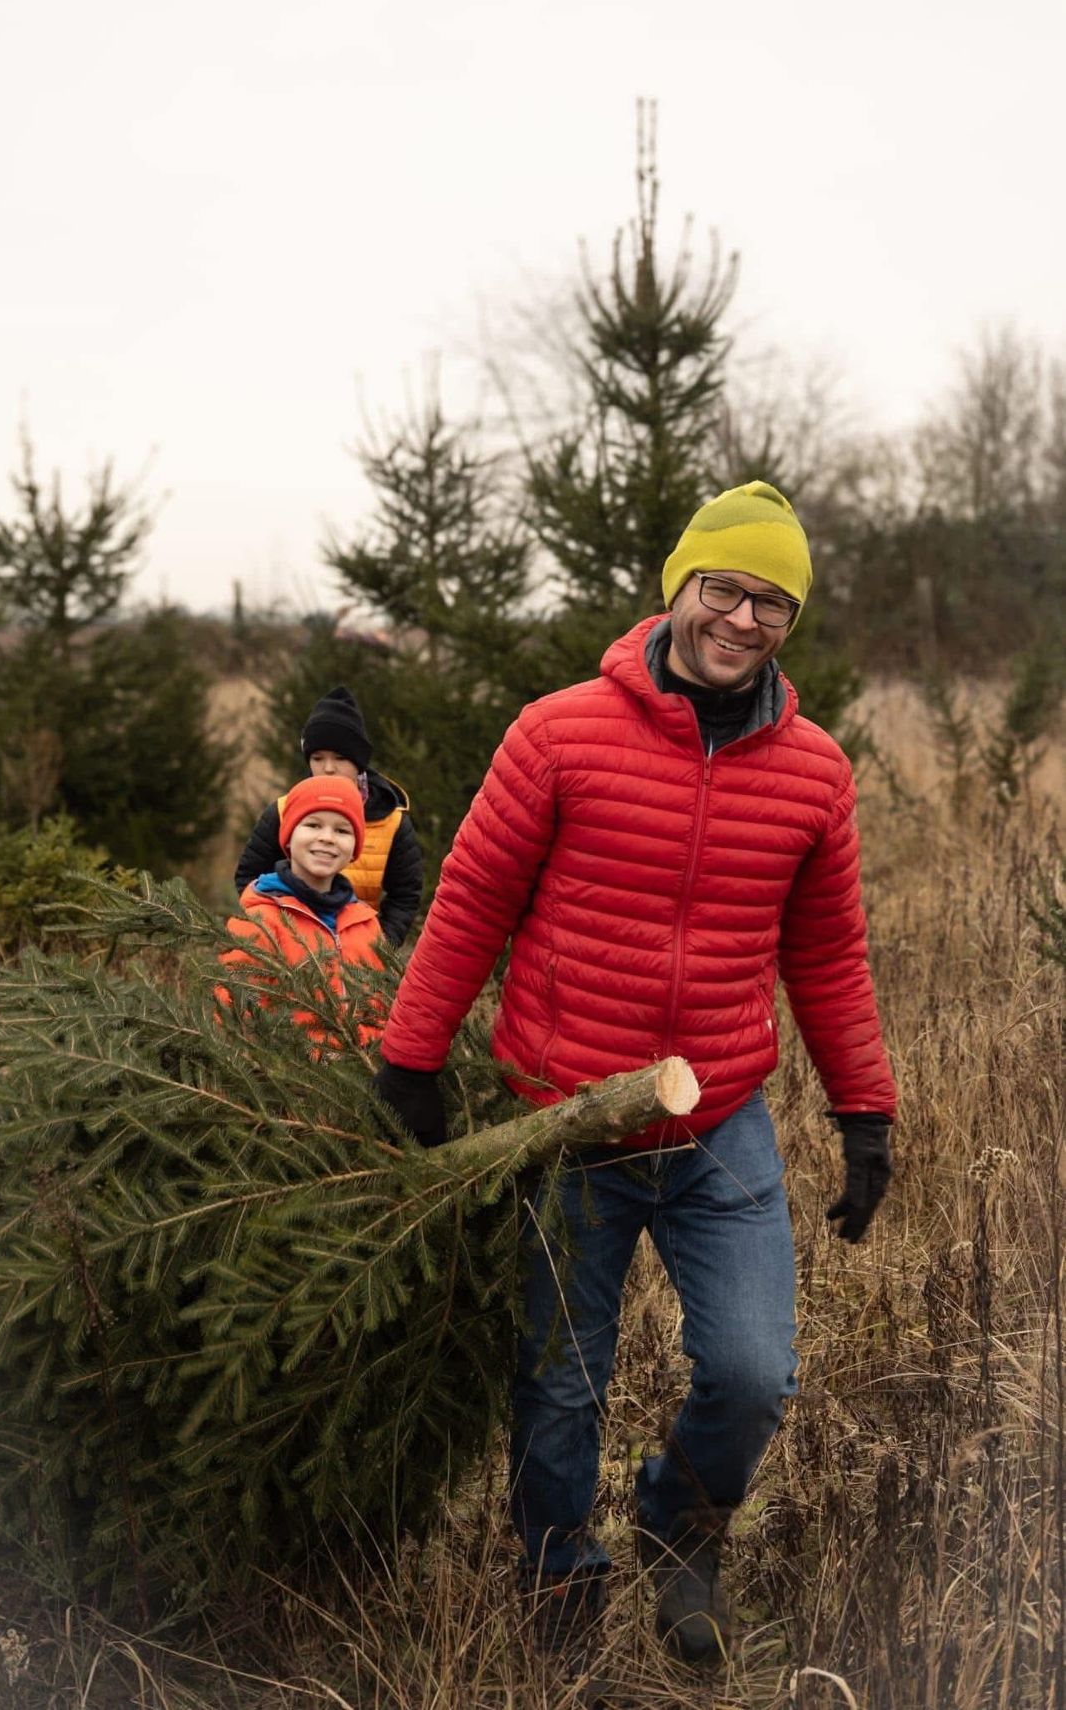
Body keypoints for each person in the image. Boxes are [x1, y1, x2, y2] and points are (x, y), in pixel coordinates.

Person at [373, 481, 897, 1660]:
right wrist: (411, 1059)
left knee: (758, 1372)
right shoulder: (559, 732)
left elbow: (829, 956)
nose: (745, 619)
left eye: (773, 603)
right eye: (727, 589)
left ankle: (679, 1524)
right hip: (567, 1124)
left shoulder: (814, 772)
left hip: (719, 1121)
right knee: (559, 1387)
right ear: (679, 587)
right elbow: (470, 901)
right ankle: (559, 1582)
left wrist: (866, 1111)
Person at [235, 685, 423, 946]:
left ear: (359, 761)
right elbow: (248, 878)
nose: (328, 768)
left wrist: (376, 950)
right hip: (289, 956)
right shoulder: (282, 811)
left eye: (340, 757)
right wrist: (275, 939)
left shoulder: (392, 821)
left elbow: (406, 895)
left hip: (358, 964)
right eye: (317, 757)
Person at [220, 774, 383, 1046]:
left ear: (355, 846)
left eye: (342, 830)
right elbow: (235, 1013)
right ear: (288, 836)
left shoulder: (367, 923)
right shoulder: (259, 920)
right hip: (288, 1077)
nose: (327, 838)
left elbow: (382, 1009)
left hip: (362, 1076)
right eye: (313, 825)